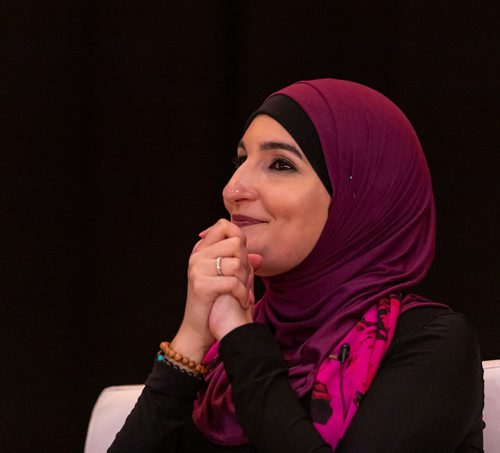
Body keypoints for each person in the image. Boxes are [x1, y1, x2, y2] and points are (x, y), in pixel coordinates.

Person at [109, 79, 484, 452]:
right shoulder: (226, 351)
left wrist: (241, 341)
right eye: (241, 160)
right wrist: (193, 335)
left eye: (280, 164)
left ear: (361, 198)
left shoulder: (429, 343)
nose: (232, 189)